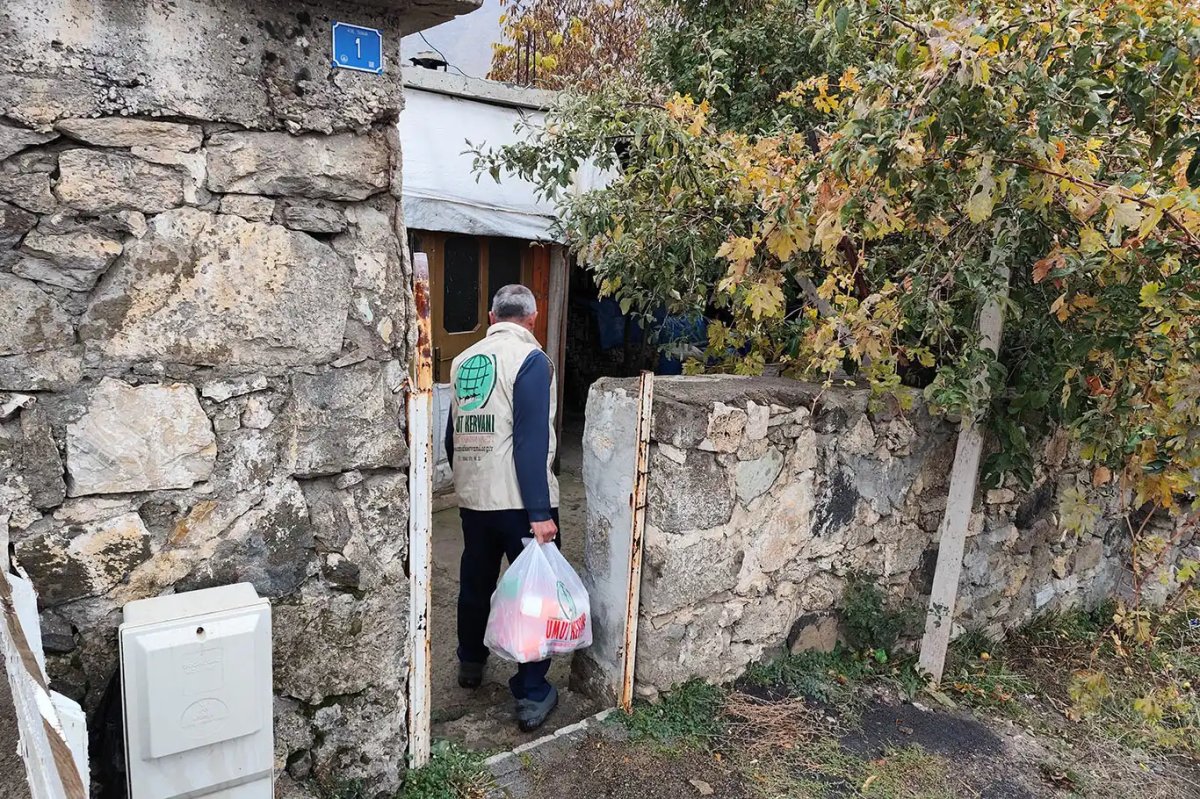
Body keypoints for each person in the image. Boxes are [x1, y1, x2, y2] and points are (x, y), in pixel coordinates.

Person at [444, 284, 561, 732]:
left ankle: (470, 663)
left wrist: (466, 484)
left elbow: (453, 436)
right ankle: (531, 692)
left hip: (475, 498)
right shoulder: (531, 360)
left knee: (475, 581)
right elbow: (531, 441)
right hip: (520, 502)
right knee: (534, 595)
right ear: (532, 320)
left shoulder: (464, 360)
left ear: (492, 318)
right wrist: (539, 511)